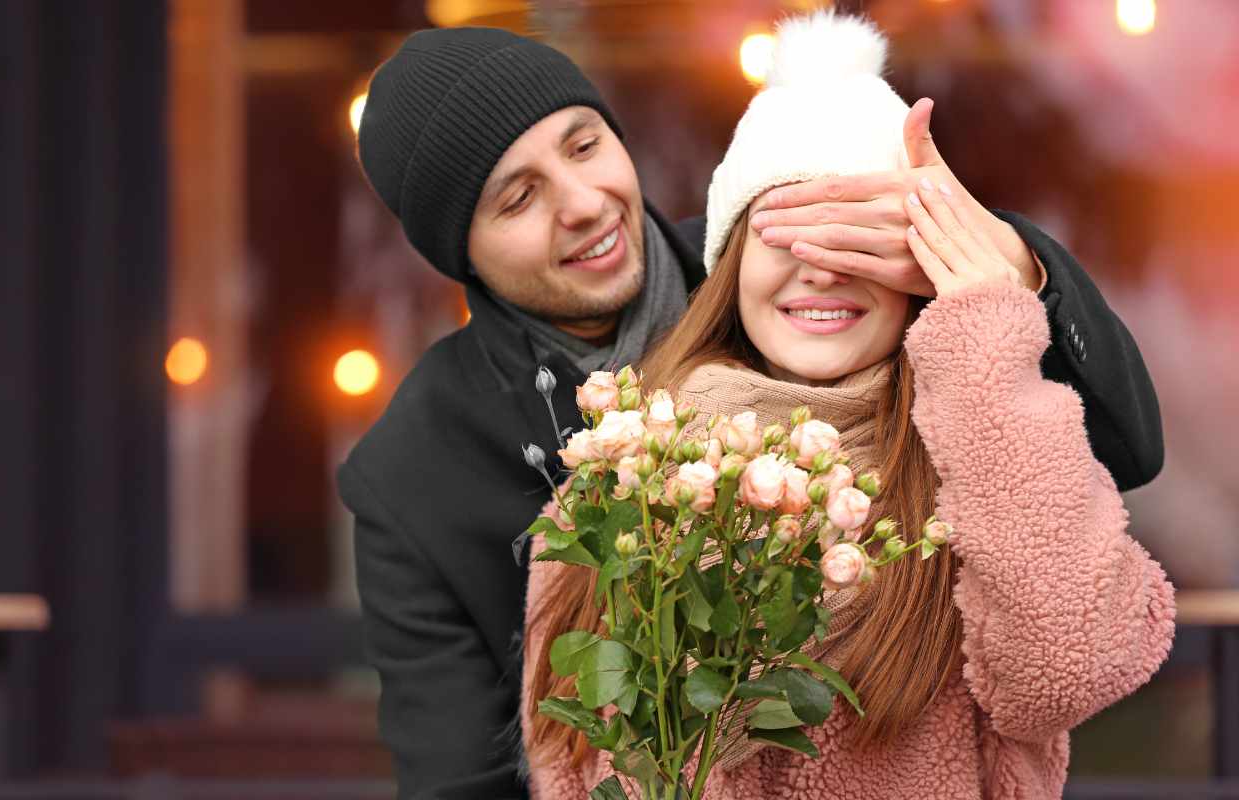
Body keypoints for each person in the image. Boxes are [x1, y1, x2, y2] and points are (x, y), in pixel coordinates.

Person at [339, 23, 1164, 800]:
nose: (584, 203)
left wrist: (1005, 275)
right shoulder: (423, 473)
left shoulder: (790, 257)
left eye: (586, 146)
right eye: (517, 199)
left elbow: (1094, 479)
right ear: (465, 256)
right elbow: (473, 770)